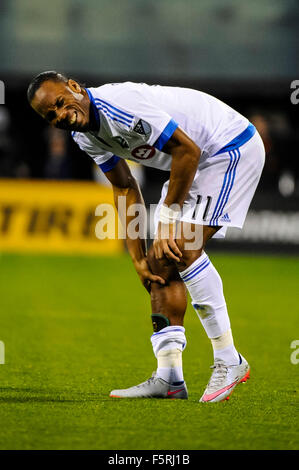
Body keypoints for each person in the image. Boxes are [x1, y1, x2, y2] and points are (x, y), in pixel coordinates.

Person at [27, 71, 265, 402]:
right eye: (51, 117)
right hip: (196, 161)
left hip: (229, 148)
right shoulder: (84, 136)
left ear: (75, 88)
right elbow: (124, 187)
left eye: (60, 104)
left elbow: (187, 150)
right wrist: (138, 257)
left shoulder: (118, 107)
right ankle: (169, 378)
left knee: (182, 246)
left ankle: (229, 358)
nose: (61, 116)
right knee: (159, 263)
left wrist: (166, 224)